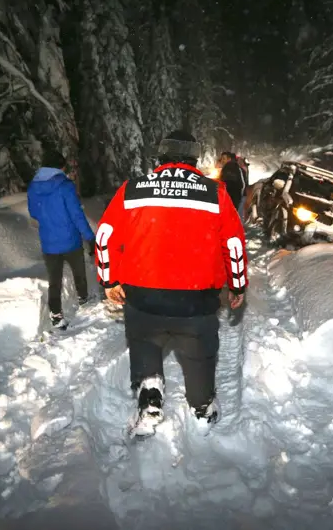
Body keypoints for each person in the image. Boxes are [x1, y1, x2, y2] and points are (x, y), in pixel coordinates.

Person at [95, 130, 249, 437]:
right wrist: (237, 285)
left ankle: (149, 395)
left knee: (145, 345)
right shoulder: (214, 193)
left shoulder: (133, 189)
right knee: (198, 354)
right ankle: (202, 406)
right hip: (196, 301)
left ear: (161, 157)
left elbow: (104, 236)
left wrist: (109, 280)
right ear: (194, 159)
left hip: (144, 296)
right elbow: (233, 244)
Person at [28, 150, 96, 331]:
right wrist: (90, 237)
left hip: (49, 243)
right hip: (70, 240)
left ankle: (56, 315)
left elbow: (33, 212)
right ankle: (83, 299)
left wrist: (49, 218)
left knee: (54, 281)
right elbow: (76, 215)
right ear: (60, 166)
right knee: (79, 272)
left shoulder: (33, 186)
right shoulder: (65, 186)